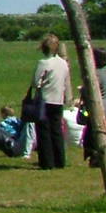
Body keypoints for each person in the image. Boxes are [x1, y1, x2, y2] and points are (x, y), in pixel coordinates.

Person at [30, 34, 73, 170]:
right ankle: (60, 160)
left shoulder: (43, 63)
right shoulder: (63, 63)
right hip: (58, 100)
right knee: (56, 131)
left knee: (43, 131)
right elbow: (66, 82)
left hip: (45, 100)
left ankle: (47, 162)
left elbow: (35, 83)